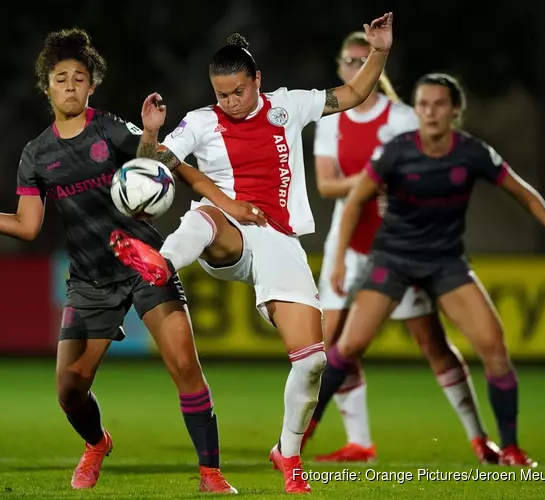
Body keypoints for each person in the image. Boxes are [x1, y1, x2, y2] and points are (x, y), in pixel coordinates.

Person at [0, 28, 240, 494]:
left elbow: (154, 164)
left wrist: (151, 131)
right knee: (69, 390)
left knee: (184, 367)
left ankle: (212, 474)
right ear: (47, 87)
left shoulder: (109, 127)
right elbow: (28, 225)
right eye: (60, 78)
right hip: (90, 279)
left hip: (144, 264)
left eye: (79, 78)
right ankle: (97, 444)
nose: (70, 85)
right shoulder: (35, 155)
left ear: (91, 85)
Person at [108, 13, 395, 494]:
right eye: (221, 94)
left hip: (279, 240)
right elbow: (158, 165)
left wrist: (380, 51)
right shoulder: (201, 122)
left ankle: (287, 453)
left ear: (257, 80)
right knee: (203, 217)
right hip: (225, 233)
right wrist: (152, 134)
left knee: (312, 362)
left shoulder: (289, 107)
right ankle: (160, 263)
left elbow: (353, 94)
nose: (229, 101)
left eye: (237, 91)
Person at [319, 72, 545, 467]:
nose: (430, 111)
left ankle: (511, 448)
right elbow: (354, 203)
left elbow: (523, 192)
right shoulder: (397, 150)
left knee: (494, 347)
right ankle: (296, 437)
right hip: (393, 260)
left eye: (438, 104)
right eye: (423, 104)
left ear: (455, 111)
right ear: (417, 110)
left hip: (445, 263)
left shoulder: (471, 153)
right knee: (346, 348)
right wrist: (339, 260)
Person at [303, 33, 498, 465]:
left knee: (431, 342)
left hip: (401, 245)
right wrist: (378, 176)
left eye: (363, 60)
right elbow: (325, 185)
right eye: (348, 61)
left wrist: (395, 180)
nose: (355, 68)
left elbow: (430, 167)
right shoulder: (330, 121)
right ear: (339, 68)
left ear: (376, 66)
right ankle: (359, 442)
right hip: (348, 243)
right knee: (331, 344)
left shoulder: (403, 118)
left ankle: (479, 437)